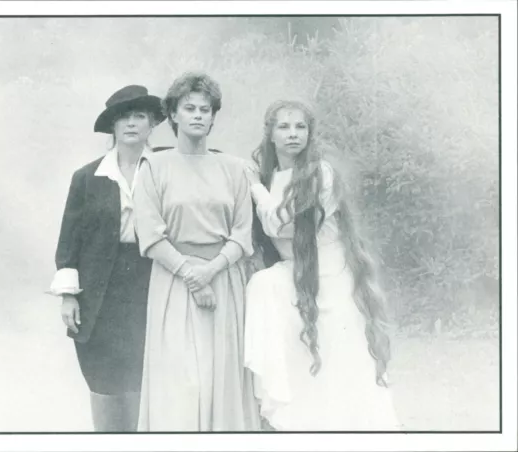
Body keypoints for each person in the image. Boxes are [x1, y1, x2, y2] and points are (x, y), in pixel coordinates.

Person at [243, 100, 401, 431]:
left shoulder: (319, 174)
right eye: (283, 127)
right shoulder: (269, 176)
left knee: (340, 361)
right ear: (270, 134)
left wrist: (256, 190)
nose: (292, 134)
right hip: (295, 277)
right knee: (300, 356)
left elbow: (285, 226)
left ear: (310, 134)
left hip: (330, 276)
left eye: (300, 127)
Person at [132, 72, 260, 431]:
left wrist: (210, 271)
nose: (198, 115)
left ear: (214, 117)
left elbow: (241, 234)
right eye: (189, 108)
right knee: (182, 382)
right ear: (173, 115)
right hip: (174, 284)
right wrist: (191, 275)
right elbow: (151, 236)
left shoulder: (233, 168)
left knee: (221, 377)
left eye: (206, 109)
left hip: (224, 283)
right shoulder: (154, 166)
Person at [47, 85, 165, 431]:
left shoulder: (165, 169)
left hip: (152, 280)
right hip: (102, 288)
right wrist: (69, 295)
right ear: (112, 126)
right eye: (123, 117)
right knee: (105, 377)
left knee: (148, 374)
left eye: (139, 116)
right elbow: (70, 241)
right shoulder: (88, 177)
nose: (131, 123)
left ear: (152, 124)